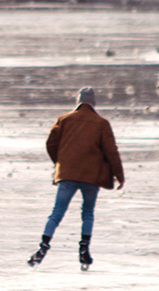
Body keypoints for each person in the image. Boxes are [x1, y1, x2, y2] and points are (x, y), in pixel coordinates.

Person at [27, 87, 124, 271]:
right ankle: (84, 250)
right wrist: (119, 175)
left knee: (57, 211)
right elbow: (111, 151)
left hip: (67, 174)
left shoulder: (64, 120)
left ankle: (43, 247)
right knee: (87, 212)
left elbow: (50, 143)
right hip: (91, 176)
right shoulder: (101, 123)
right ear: (93, 102)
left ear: (78, 101)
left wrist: (60, 161)